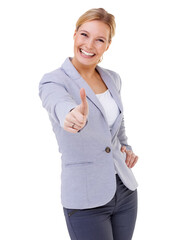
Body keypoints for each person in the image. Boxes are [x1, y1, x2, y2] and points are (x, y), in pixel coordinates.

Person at [39, 8, 138, 240]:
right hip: (85, 199)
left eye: (99, 39)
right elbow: (58, 104)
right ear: (74, 35)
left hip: (124, 191)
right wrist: (72, 115)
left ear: (108, 45)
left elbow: (116, 126)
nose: (89, 45)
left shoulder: (113, 78)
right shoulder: (53, 80)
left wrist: (127, 148)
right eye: (84, 35)